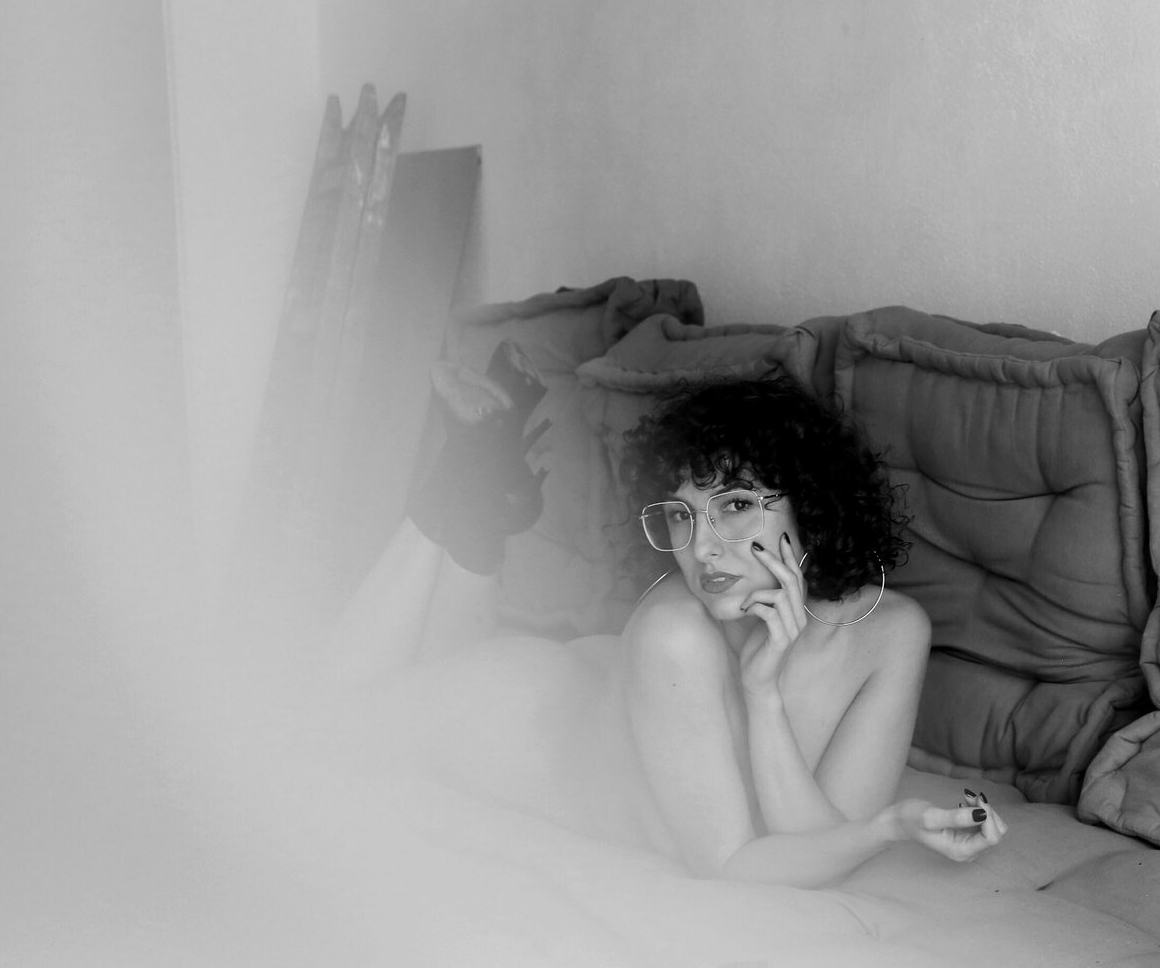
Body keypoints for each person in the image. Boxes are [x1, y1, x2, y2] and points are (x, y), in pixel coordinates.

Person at [328, 352, 1005, 886]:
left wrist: (764, 696)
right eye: (681, 515)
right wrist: (888, 827)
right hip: (514, 726)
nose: (702, 547)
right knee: (325, 719)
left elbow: (819, 844)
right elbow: (734, 864)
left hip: (586, 692)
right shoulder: (674, 631)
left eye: (734, 505)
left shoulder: (893, 633)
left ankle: (476, 501)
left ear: (811, 504)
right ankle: (451, 494)